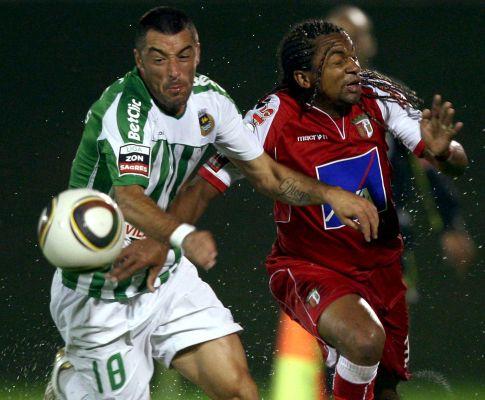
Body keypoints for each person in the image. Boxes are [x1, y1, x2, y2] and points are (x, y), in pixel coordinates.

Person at [44, 7, 379, 400]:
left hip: (165, 276)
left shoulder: (211, 103)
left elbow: (267, 175)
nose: (174, 72)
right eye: (159, 59)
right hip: (101, 286)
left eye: (183, 56)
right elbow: (128, 198)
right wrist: (182, 236)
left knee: (239, 391)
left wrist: (329, 194)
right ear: (139, 60)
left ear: (198, 52)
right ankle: (72, 382)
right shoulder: (125, 111)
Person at [176, 20, 468, 400]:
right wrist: (165, 234)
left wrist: (445, 151)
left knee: (384, 390)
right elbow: (208, 181)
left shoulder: (378, 97)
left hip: (382, 267)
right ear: (304, 77)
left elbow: (452, 161)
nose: (353, 67)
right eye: (337, 60)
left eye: (352, 56)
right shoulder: (274, 116)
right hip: (311, 267)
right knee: (364, 339)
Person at [269, 6, 477, 400]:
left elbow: (437, 164)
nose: (350, 58)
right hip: (321, 258)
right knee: (355, 343)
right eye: (336, 50)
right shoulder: (283, 111)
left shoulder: (383, 97)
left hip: (383, 251)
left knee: (382, 378)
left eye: (353, 43)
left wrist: (449, 204)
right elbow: (245, 162)